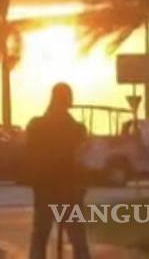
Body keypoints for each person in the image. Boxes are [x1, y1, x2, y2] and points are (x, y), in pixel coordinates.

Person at [25, 83, 90, 259]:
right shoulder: (76, 128)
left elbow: (28, 156)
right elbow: (81, 157)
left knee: (40, 237)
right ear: (68, 100)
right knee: (78, 240)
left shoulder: (36, 125)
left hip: (45, 189)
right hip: (68, 190)